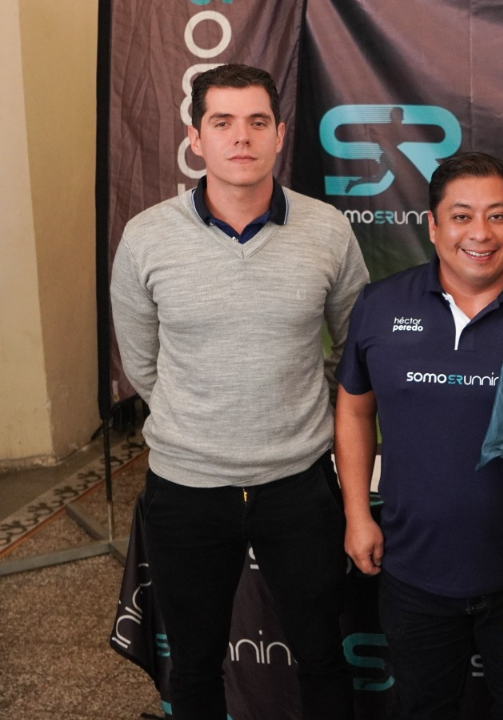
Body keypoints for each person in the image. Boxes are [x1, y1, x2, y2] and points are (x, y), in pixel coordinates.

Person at [110, 64, 369, 720]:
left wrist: (295, 404)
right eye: (222, 122)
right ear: (195, 138)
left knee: (322, 654)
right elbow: (142, 364)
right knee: (193, 662)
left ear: (280, 134)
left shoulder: (327, 231)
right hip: (186, 488)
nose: (241, 137)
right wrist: (202, 415)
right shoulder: (146, 237)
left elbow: (353, 350)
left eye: (257, 121)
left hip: (299, 484)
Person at [334, 152, 503, 720]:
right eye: (461, 216)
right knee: (422, 708)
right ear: (433, 226)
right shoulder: (379, 305)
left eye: (498, 216)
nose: (480, 233)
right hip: (412, 565)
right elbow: (353, 411)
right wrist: (357, 514)